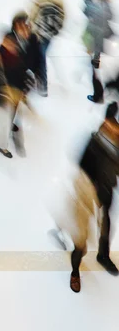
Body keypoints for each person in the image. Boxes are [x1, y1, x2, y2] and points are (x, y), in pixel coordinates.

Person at [68, 107, 119, 292]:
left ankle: (102, 255)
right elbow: (81, 165)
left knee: (105, 226)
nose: (113, 128)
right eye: (111, 123)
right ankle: (75, 271)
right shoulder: (94, 140)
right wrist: (93, 184)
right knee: (81, 236)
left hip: (106, 191)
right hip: (87, 190)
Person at [29, 0, 65, 97]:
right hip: (51, 33)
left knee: (40, 58)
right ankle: (41, 83)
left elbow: (32, 17)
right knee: (41, 55)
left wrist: (33, 29)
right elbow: (63, 14)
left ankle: (43, 86)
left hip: (40, 34)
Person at [84, 0, 113, 104]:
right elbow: (110, 16)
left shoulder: (93, 4)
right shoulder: (106, 4)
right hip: (102, 37)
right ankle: (96, 59)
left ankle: (98, 96)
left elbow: (86, 13)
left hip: (95, 36)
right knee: (97, 54)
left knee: (95, 74)